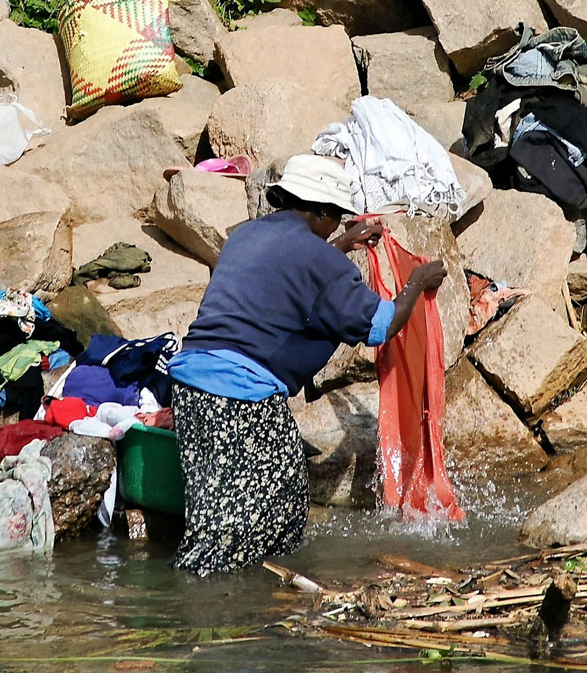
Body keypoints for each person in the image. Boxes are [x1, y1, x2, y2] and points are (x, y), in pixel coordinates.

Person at [166, 155, 448, 575]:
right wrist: (417, 283)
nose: (335, 226)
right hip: (241, 398)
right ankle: (219, 616)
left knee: (244, 513)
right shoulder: (320, 261)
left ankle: (247, 606)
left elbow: (294, 264)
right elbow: (381, 324)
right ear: (319, 211)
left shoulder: (246, 236)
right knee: (246, 528)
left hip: (191, 387)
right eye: (333, 218)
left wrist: (342, 245)